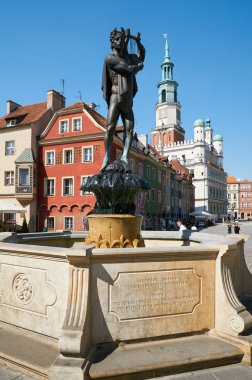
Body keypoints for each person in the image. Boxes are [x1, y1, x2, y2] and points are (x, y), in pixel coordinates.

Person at [101, 27, 145, 171]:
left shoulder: (129, 57)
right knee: (110, 127)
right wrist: (136, 68)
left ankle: (125, 156)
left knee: (130, 129)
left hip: (127, 100)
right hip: (115, 97)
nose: (120, 41)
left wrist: (138, 42)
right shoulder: (110, 58)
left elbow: (142, 55)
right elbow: (125, 68)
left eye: (121, 39)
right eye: (117, 39)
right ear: (113, 42)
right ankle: (106, 156)